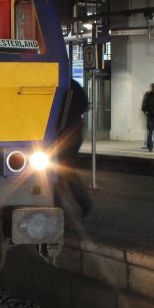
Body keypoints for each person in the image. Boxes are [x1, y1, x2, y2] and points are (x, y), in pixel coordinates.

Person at [55, 78, 93, 226]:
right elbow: (85, 105)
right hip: (75, 131)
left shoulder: (56, 84)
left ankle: (58, 209)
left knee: (53, 171)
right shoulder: (73, 84)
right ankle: (83, 203)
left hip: (62, 135)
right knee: (64, 169)